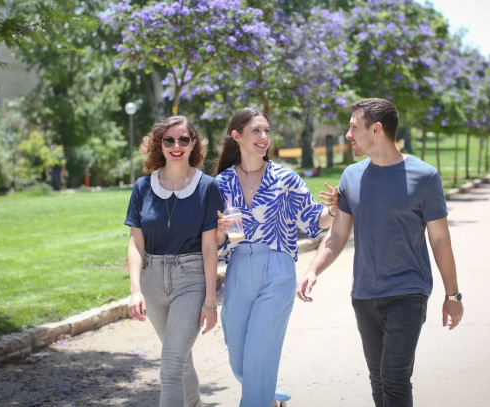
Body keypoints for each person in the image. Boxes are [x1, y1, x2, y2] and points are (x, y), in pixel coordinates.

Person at [297, 98, 464, 407]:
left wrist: (452, 296)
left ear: (376, 129)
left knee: (395, 378)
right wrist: (313, 270)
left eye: (353, 128)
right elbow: (337, 235)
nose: (348, 135)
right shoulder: (351, 176)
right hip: (364, 295)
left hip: (407, 293)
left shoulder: (425, 177)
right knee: (378, 380)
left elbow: (440, 240)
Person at [214, 107, 338, 407]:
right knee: (237, 353)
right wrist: (219, 231)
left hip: (277, 268)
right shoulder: (221, 183)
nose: (263, 137)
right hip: (239, 266)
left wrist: (334, 210)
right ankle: (268, 395)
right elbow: (216, 243)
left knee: (259, 353)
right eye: (256, 130)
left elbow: (312, 220)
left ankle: (258, 398)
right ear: (237, 136)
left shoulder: (285, 178)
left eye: (266, 131)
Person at [125, 115, 224, 407]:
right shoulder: (143, 187)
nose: (176, 145)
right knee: (179, 359)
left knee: (170, 362)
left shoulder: (208, 187)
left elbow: (209, 248)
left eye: (184, 139)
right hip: (152, 281)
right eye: (169, 140)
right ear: (160, 145)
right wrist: (135, 289)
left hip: (191, 279)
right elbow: (135, 242)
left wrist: (210, 301)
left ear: (194, 144)